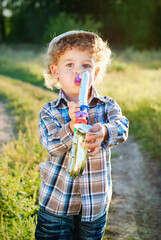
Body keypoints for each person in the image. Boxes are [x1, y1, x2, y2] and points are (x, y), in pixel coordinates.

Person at [35, 30, 129, 240]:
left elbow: (122, 127)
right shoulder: (50, 110)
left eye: (86, 65)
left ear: (95, 72)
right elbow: (51, 145)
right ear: (55, 71)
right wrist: (70, 126)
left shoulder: (107, 106)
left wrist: (104, 132)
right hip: (57, 204)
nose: (78, 71)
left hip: (94, 205)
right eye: (69, 65)